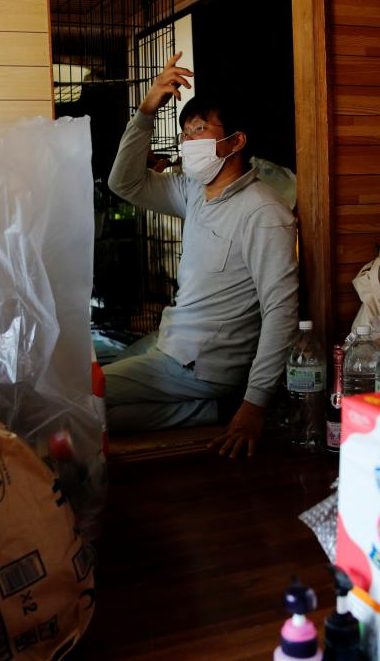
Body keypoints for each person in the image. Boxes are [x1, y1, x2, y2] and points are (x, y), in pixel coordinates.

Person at [103, 52, 299, 459]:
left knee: (85, 397)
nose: (187, 141)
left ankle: (225, 403)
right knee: (100, 411)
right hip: (173, 343)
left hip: (203, 364)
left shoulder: (263, 212)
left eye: (199, 130)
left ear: (236, 141)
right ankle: (211, 411)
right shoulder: (193, 191)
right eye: (185, 132)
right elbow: (124, 183)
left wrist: (255, 405)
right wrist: (146, 110)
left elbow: (281, 311)